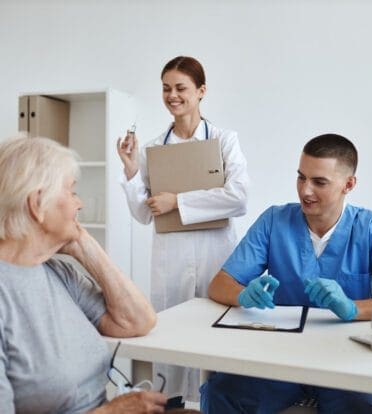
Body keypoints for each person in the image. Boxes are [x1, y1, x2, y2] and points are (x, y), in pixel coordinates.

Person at [200, 134, 372, 414]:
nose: (305, 191)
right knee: (220, 393)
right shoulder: (274, 220)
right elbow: (220, 284)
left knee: (364, 407)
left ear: (349, 184)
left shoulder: (370, 228)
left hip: (345, 360)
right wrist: (243, 296)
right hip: (279, 360)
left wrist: (351, 308)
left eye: (319, 182)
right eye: (301, 177)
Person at [0, 136, 167, 414]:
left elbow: (138, 321)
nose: (80, 204)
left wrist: (81, 243)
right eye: (72, 191)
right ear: (37, 203)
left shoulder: (57, 271)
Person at [117, 56, 249, 406]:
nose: (172, 95)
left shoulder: (224, 140)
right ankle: (173, 405)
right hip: (170, 257)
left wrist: (178, 201)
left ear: (201, 91)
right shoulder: (153, 148)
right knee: (172, 338)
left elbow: (239, 197)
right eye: (166, 88)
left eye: (180, 88)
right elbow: (143, 215)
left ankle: (217, 403)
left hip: (214, 251)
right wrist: (131, 170)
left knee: (215, 333)